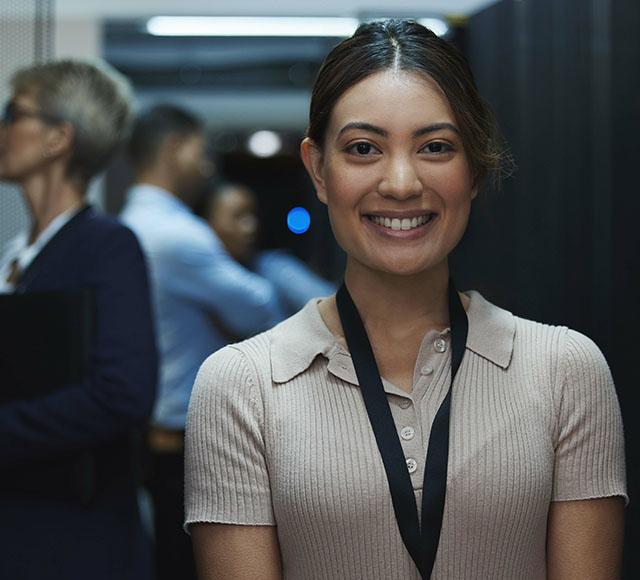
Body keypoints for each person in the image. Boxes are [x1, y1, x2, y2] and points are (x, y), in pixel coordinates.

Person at [183, 19, 628, 580]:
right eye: (364, 148)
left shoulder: (566, 371)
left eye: (435, 147)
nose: (400, 182)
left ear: (474, 168)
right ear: (319, 169)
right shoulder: (241, 386)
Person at [0, 59, 157, 579]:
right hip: (23, 523)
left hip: (74, 535)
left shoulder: (107, 245)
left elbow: (123, 392)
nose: (2, 128)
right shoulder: (17, 255)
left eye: (12, 114)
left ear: (57, 138)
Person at [120, 105, 284, 580]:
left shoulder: (130, 224)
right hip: (189, 436)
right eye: (199, 148)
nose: (207, 162)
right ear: (173, 149)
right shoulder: (180, 236)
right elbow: (260, 308)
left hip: (154, 431)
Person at [196, 180, 336, 316]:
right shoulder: (198, 279)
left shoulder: (277, 269)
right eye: (238, 217)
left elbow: (334, 310)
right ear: (208, 223)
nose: (251, 227)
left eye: (252, 215)